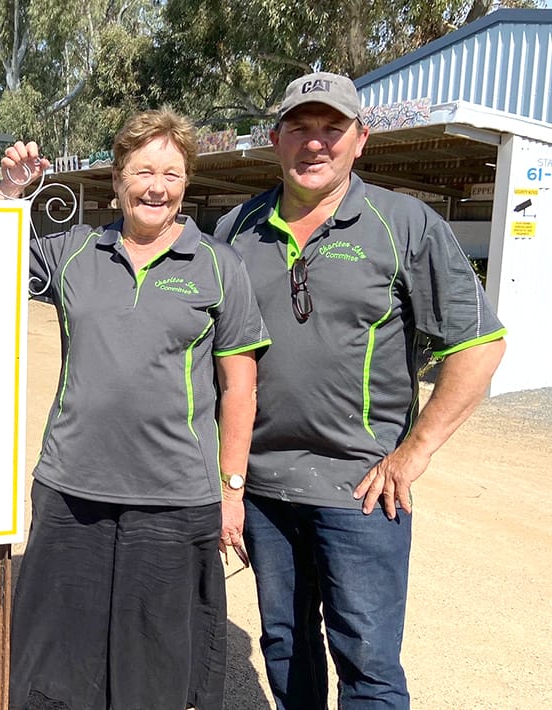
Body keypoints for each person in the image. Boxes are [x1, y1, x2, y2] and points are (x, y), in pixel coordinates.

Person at [214, 71, 506, 709]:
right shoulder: (236, 230)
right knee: (286, 645)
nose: (314, 145)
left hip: (362, 491)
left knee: (368, 661)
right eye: (300, 129)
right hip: (264, 490)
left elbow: (480, 343)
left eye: (332, 129)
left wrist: (416, 450)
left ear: (360, 139)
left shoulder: (404, 223)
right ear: (275, 138)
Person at [0, 109, 270, 710]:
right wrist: (12, 188)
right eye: (143, 171)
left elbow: (240, 388)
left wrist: (231, 491)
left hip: (174, 496)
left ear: (186, 183)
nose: (156, 187)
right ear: (117, 178)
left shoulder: (220, 268)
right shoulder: (74, 251)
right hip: (72, 488)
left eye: (172, 174)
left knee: (157, 661)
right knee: (62, 654)